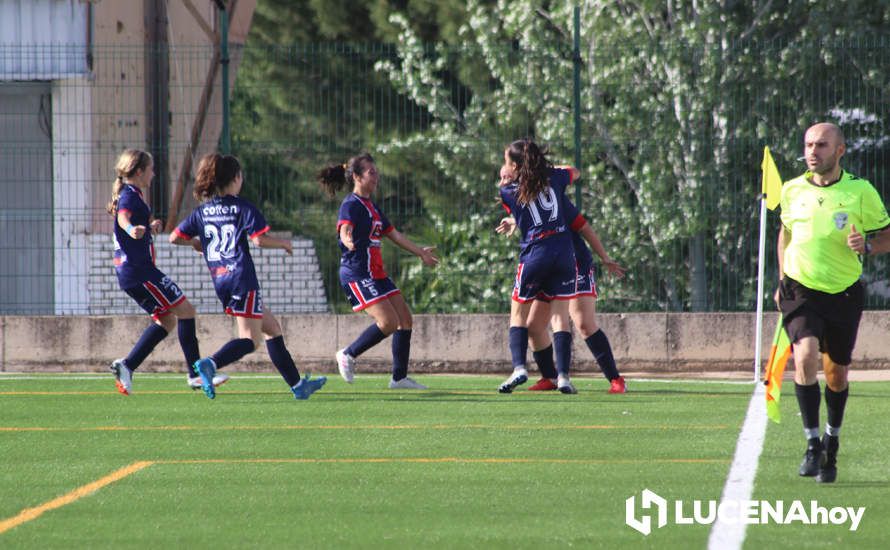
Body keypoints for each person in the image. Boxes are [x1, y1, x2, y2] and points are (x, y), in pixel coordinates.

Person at [775, 122, 890, 483]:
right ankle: (812, 445)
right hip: (800, 289)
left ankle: (831, 443)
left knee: (836, 375)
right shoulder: (792, 190)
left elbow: (886, 234)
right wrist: (782, 278)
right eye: (809, 144)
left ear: (839, 150)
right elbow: (786, 233)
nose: (813, 151)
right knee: (805, 356)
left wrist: (868, 247)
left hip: (843, 293)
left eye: (822, 145)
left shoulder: (860, 191)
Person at [170, 153, 326, 400]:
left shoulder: (202, 212)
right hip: (242, 278)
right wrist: (284, 243)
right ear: (235, 178)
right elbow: (259, 240)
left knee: (272, 328)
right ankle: (211, 363)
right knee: (250, 340)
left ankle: (298, 386)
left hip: (221, 279)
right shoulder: (243, 207)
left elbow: (175, 237)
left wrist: (199, 244)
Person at [107, 148, 227, 395]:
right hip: (140, 272)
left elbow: (129, 218)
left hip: (131, 273)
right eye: (151, 169)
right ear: (139, 171)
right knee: (186, 311)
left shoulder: (131, 194)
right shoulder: (129, 195)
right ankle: (195, 374)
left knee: (167, 319)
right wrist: (130, 229)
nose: (154, 174)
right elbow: (123, 218)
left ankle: (127, 365)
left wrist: (149, 226)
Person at [318, 153, 439, 389]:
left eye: (377, 173)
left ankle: (399, 378)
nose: (376, 177)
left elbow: (394, 234)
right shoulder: (351, 204)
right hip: (357, 273)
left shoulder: (372, 207)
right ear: (356, 177)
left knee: (405, 319)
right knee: (388, 322)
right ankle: (348, 354)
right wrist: (346, 239)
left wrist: (420, 252)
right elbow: (344, 227)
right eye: (371, 173)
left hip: (376, 273)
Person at [497, 184, 627, 394]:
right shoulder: (524, 196)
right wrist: (514, 220)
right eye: (502, 177)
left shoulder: (553, 194)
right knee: (534, 327)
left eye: (507, 174)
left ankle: (616, 379)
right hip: (550, 267)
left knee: (583, 322)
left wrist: (604, 258)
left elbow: (583, 226)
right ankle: (551, 377)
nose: (504, 181)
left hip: (575, 263)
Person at [497, 139, 578, 394]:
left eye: (506, 162)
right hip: (564, 254)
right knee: (560, 316)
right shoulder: (555, 177)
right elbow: (575, 171)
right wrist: (545, 168)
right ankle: (563, 376)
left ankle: (519, 367)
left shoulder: (508, 190)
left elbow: (524, 208)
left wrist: (508, 182)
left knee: (517, 315)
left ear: (516, 167)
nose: (503, 168)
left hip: (536, 253)